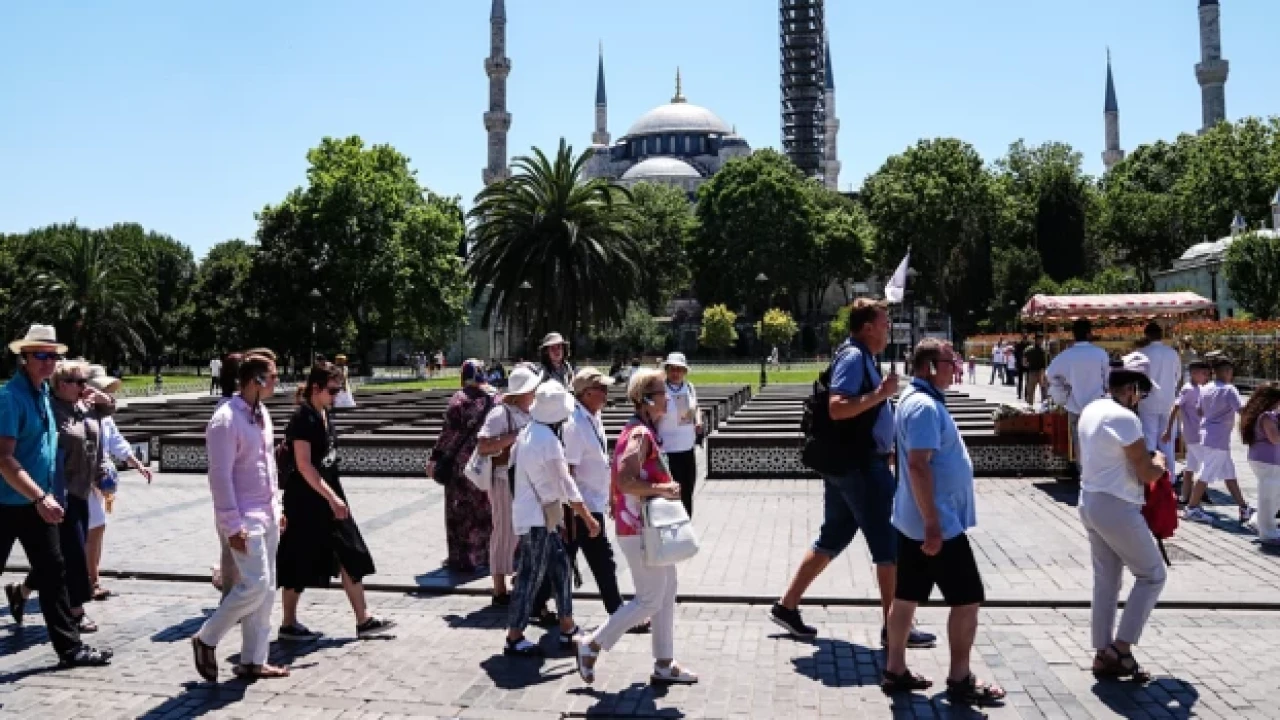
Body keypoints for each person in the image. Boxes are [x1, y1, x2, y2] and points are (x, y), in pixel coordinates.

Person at [769, 299, 935, 649]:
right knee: (889, 545)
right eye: (884, 323)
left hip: (854, 463)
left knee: (832, 537)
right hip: (860, 467)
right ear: (867, 327)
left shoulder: (864, 357)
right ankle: (895, 628)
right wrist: (881, 393)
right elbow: (838, 407)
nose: (888, 329)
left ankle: (787, 606)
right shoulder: (853, 357)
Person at [882, 339, 1005, 706]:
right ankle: (960, 677)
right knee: (967, 599)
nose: (956, 368)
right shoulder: (923, 406)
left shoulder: (915, 399)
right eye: (950, 362)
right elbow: (919, 465)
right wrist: (933, 523)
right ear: (930, 367)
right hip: (937, 524)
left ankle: (895, 669)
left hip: (913, 519)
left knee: (906, 597)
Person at [575, 368, 698, 685]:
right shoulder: (640, 434)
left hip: (646, 527)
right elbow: (625, 480)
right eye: (661, 392)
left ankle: (664, 662)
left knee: (666, 590)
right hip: (639, 529)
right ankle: (591, 644)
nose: (667, 397)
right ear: (646, 399)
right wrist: (663, 489)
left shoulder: (644, 430)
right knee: (649, 599)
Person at [0, 326, 112, 667]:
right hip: (8, 503)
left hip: (38, 503)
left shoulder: (42, 397)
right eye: (40, 355)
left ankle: (70, 648)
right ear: (24, 358)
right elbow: (4, 458)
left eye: (52, 355)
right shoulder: (10, 398)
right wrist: (39, 496)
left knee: (53, 572)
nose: (48, 361)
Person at [276, 364, 394, 640]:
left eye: (339, 390)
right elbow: (304, 465)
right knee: (298, 559)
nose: (336, 395)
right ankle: (288, 624)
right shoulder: (302, 418)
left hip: (329, 496)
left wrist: (334, 497)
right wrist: (332, 498)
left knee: (350, 552)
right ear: (315, 388)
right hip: (306, 501)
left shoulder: (324, 413)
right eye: (332, 390)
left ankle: (364, 620)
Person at [191, 352, 289, 682]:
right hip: (244, 517)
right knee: (255, 585)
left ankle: (253, 660)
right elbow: (220, 477)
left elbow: (268, 466)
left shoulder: (261, 414)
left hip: (267, 513)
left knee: (268, 589)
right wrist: (232, 525)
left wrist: (278, 507)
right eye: (272, 376)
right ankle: (207, 638)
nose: (277, 381)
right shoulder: (225, 420)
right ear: (256, 381)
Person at [1076, 352, 1169, 684]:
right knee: (1152, 575)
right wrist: (1160, 462)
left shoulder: (1091, 409)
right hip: (1117, 505)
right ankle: (1121, 649)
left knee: (1107, 580)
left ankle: (1102, 652)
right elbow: (1146, 472)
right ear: (1130, 389)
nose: (1140, 400)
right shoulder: (1125, 418)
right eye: (1140, 393)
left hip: (1090, 499)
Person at [503, 381, 597, 657]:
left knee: (561, 567)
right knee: (530, 576)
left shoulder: (530, 432)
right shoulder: (549, 442)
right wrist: (588, 518)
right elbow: (566, 485)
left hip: (537, 516)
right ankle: (514, 636)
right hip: (538, 519)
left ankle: (567, 625)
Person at [562, 368, 627, 616]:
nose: (606, 393)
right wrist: (582, 513)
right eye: (601, 389)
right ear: (586, 393)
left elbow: (600, 461)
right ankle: (618, 612)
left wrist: (610, 494)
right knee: (603, 561)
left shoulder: (593, 417)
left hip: (593, 501)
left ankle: (535, 603)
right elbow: (568, 472)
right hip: (583, 505)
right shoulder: (575, 425)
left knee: (564, 558)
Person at [84, 365, 152, 601]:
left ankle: (90, 578)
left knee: (95, 528)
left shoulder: (104, 416)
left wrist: (137, 463)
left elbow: (116, 441)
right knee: (92, 528)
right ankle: (90, 580)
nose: (107, 395)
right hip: (80, 481)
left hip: (98, 481)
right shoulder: (77, 413)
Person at [475, 365, 539, 604]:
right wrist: (515, 436)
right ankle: (499, 588)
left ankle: (517, 580)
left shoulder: (530, 411)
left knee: (523, 531)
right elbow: (483, 446)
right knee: (504, 531)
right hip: (504, 479)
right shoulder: (501, 413)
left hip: (525, 480)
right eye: (532, 388)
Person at [427, 359, 495, 573]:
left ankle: (463, 558)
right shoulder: (496, 397)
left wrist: (435, 457)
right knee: (486, 509)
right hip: (487, 462)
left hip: (462, 466)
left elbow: (448, 433)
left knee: (460, 512)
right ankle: (487, 554)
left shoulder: (460, 399)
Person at [1184, 355, 1252, 524]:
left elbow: (1199, 411)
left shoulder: (1205, 388)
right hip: (1219, 438)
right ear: (1227, 371)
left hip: (1207, 434)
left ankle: (1244, 507)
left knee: (1229, 474)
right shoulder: (1229, 389)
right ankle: (1192, 508)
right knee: (1206, 473)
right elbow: (1242, 411)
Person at [1047, 319, 1111, 477]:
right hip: (1098, 405)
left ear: (1073, 335)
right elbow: (1108, 379)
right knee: (1098, 440)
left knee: (1079, 441)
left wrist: (1063, 387)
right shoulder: (1100, 353)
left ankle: (1083, 474)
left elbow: (1049, 374)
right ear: (1089, 334)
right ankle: (1098, 473)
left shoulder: (1066, 355)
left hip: (1075, 405)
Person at [658, 353, 702, 516]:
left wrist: (698, 421)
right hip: (667, 449)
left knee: (687, 489)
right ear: (667, 370)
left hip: (687, 448)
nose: (676, 373)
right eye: (672, 369)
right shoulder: (660, 388)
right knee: (671, 492)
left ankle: (687, 522)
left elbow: (696, 407)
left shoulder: (689, 387)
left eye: (679, 369)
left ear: (685, 371)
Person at [1163, 360, 1211, 504]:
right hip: (1193, 433)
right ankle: (1198, 496)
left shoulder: (1200, 388)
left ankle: (1185, 496)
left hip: (1198, 432)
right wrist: (1168, 429)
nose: (1206, 376)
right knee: (1206, 465)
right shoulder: (1188, 389)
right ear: (1194, 373)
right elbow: (1175, 407)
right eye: (1203, 373)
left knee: (1191, 466)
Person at [1136, 322, 1182, 468]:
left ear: (1146, 335)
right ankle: (1170, 475)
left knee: (1149, 439)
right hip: (1168, 400)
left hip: (1148, 401)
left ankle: (1152, 474)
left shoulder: (1142, 353)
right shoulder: (1172, 353)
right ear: (1161, 335)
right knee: (1167, 441)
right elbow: (1178, 376)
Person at [1241, 384, 1280, 547]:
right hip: (1267, 461)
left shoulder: (1264, 415)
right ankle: (1267, 533)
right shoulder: (1267, 416)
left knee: (1273, 496)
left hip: (1265, 460)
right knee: (1268, 498)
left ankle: (1258, 521)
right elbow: (1275, 438)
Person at [1023, 336, 1048, 406]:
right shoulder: (1044, 350)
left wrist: (1029, 366)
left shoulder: (1028, 349)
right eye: (1041, 340)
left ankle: (1030, 406)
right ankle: (1044, 406)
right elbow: (1047, 362)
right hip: (1041, 372)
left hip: (1033, 372)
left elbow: (1024, 362)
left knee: (1031, 391)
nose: (1041, 341)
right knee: (1043, 390)